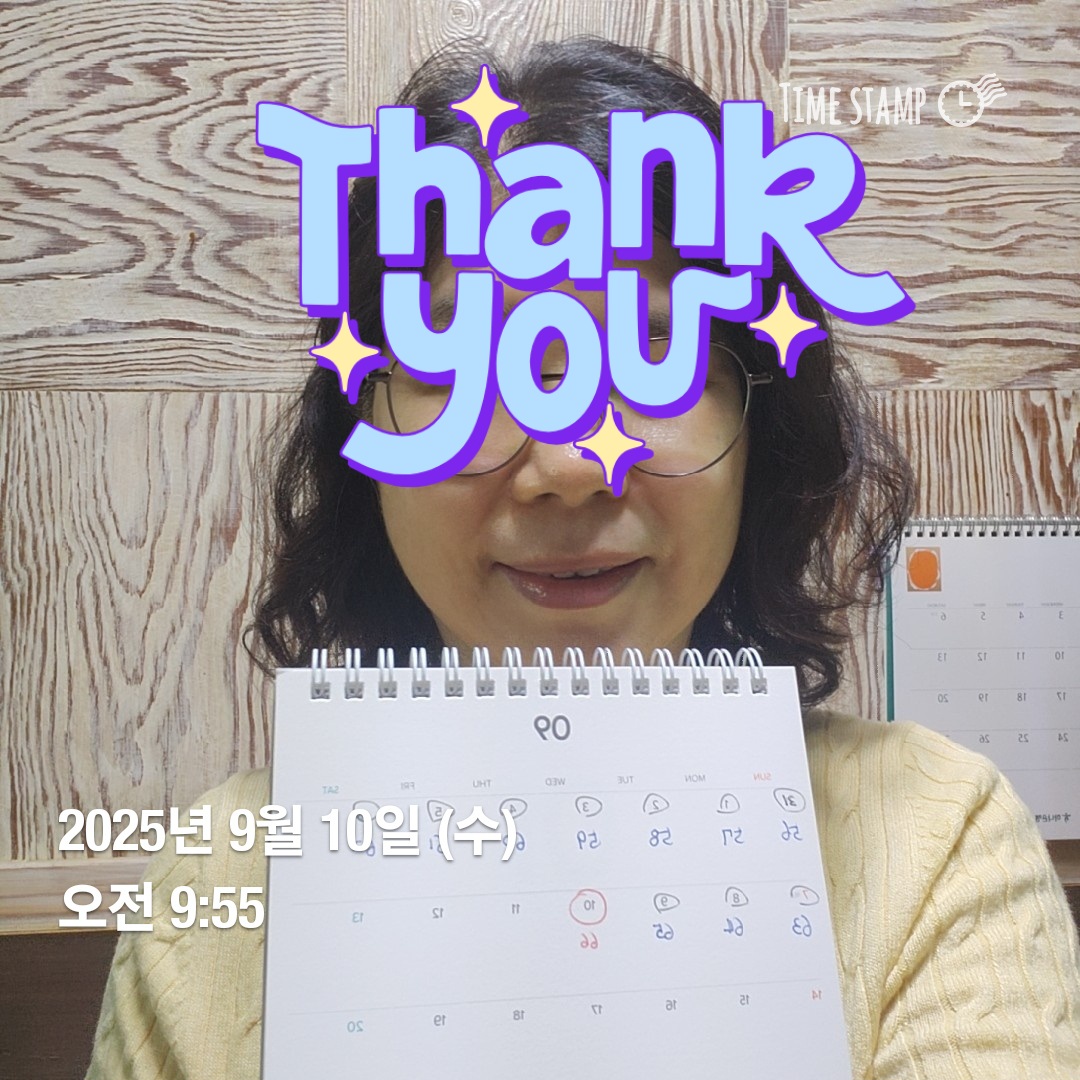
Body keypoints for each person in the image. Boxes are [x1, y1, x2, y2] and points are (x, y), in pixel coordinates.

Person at [86, 38, 1080, 1079]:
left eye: (654, 354)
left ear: (761, 422)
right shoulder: (220, 875)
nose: (568, 466)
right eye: (466, 360)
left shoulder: (933, 835)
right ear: (360, 437)